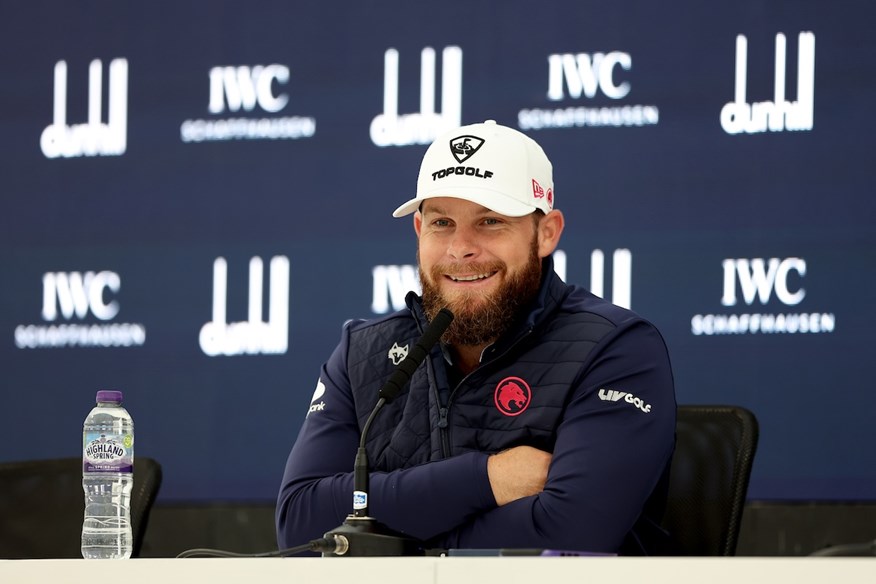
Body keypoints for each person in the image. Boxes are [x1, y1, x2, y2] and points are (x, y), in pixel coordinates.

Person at [276, 119, 677, 555]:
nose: (460, 248)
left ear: (546, 233)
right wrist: (487, 479)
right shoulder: (363, 352)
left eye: (490, 221)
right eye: (442, 222)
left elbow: (573, 531)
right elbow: (299, 526)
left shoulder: (614, 347)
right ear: (418, 230)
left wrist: (380, 546)